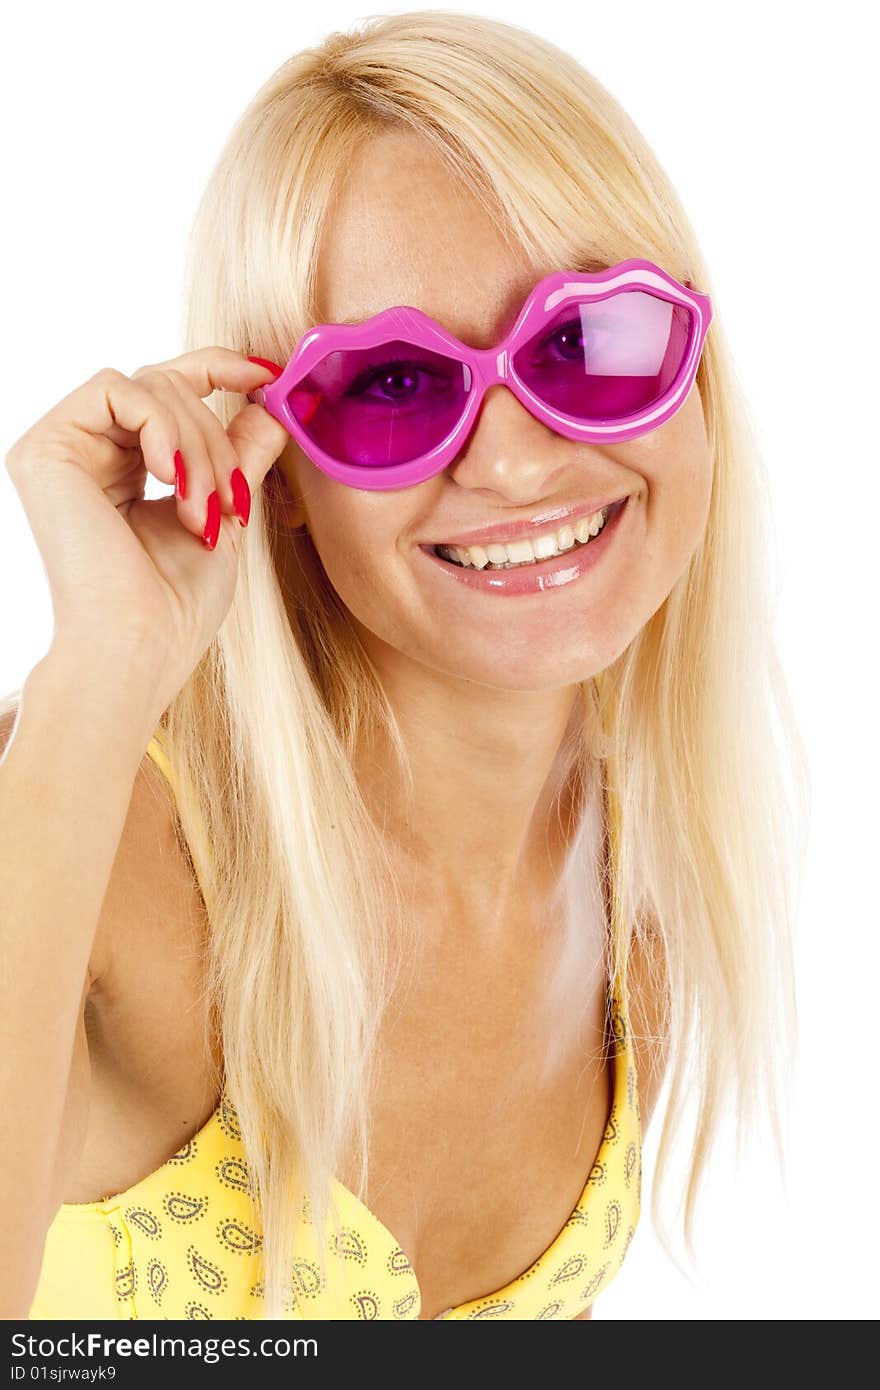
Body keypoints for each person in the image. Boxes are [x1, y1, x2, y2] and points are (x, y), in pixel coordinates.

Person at [0, 11, 809, 1321]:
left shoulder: (637, 909)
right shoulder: (109, 839)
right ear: (282, 466)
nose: (512, 458)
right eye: (390, 385)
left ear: (693, 373)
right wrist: (100, 670)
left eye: (588, 340)